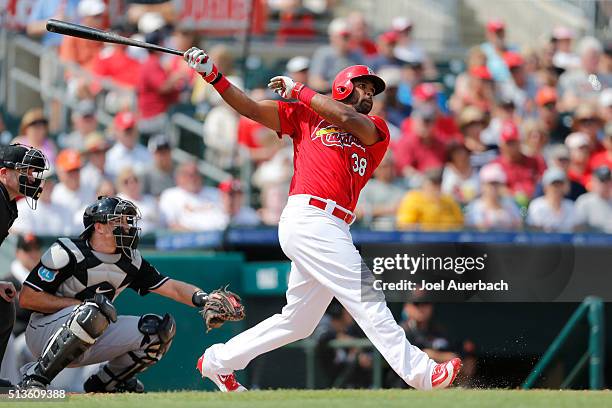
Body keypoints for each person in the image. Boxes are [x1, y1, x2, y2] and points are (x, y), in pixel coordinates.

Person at [183, 48, 461, 391]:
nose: (369, 95)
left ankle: (218, 361)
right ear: (342, 86)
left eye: (372, 91)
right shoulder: (303, 116)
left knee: (298, 322)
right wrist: (212, 74)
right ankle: (421, 373)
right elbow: (250, 108)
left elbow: (347, 120)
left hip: (334, 223)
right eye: (363, 87)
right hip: (309, 215)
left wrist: (300, 90)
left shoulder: (375, 128)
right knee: (366, 294)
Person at [17, 196, 241, 391]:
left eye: (128, 221)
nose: (127, 226)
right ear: (99, 226)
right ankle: (35, 377)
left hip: (92, 333)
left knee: (158, 331)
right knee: (93, 311)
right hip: (44, 334)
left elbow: (170, 286)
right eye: (119, 221)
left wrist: (204, 298)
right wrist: (78, 305)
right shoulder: (67, 251)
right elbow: (27, 298)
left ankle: (107, 383)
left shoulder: (131, 260)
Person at [0, 144, 48, 388]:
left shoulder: (8, 204)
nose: (31, 178)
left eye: (32, 172)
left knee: (3, 308)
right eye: (24, 172)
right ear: (3, 173)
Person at [158, 161, 228, 231]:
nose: (193, 178)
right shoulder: (170, 195)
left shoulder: (215, 193)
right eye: (189, 175)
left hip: (222, 237)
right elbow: (170, 224)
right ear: (179, 177)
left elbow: (227, 217)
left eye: (196, 173)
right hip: (187, 238)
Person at [396, 168, 464, 231]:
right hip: (421, 241)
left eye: (438, 183)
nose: (436, 187)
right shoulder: (413, 199)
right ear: (424, 184)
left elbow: (461, 224)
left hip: (449, 241)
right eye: (433, 183)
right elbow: (404, 226)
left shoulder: (448, 200)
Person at [308, 18, 365, 92]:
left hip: (350, 97)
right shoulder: (323, 54)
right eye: (344, 37)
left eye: (349, 36)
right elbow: (314, 82)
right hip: (328, 96)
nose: (347, 40)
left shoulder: (357, 54)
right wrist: (340, 87)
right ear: (333, 37)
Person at [464, 163, 522, 231]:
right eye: (490, 183)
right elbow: (480, 231)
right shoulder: (475, 207)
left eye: (496, 183)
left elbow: (518, 228)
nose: (493, 187)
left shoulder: (510, 204)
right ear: (482, 185)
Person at [356, 151, 405, 230]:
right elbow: (358, 212)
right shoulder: (367, 186)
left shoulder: (403, 184)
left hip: (403, 232)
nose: (388, 170)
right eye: (384, 166)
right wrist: (389, 209)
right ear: (375, 168)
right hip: (373, 232)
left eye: (391, 165)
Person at [527, 167, 579, 232]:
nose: (557, 188)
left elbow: (576, 230)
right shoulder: (537, 206)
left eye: (560, 185)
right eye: (554, 185)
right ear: (545, 187)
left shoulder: (570, 206)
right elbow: (535, 231)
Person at [105, 112, 152, 178]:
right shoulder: (110, 158)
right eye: (126, 131)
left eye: (132, 129)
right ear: (117, 131)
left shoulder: (146, 153)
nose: (130, 133)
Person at [575, 166, 612, 233]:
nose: (605, 184)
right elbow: (578, 227)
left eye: (608, 180)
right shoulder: (584, 201)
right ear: (593, 181)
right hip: (591, 242)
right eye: (602, 181)